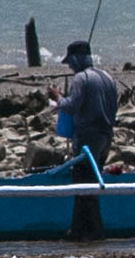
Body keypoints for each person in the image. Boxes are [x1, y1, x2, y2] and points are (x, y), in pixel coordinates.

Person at [49, 40, 121, 172]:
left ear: (76, 59)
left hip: (89, 136)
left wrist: (58, 97)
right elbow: (114, 107)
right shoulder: (108, 77)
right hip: (107, 135)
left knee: (84, 176)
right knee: (97, 171)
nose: (70, 66)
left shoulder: (81, 78)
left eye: (70, 61)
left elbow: (71, 107)